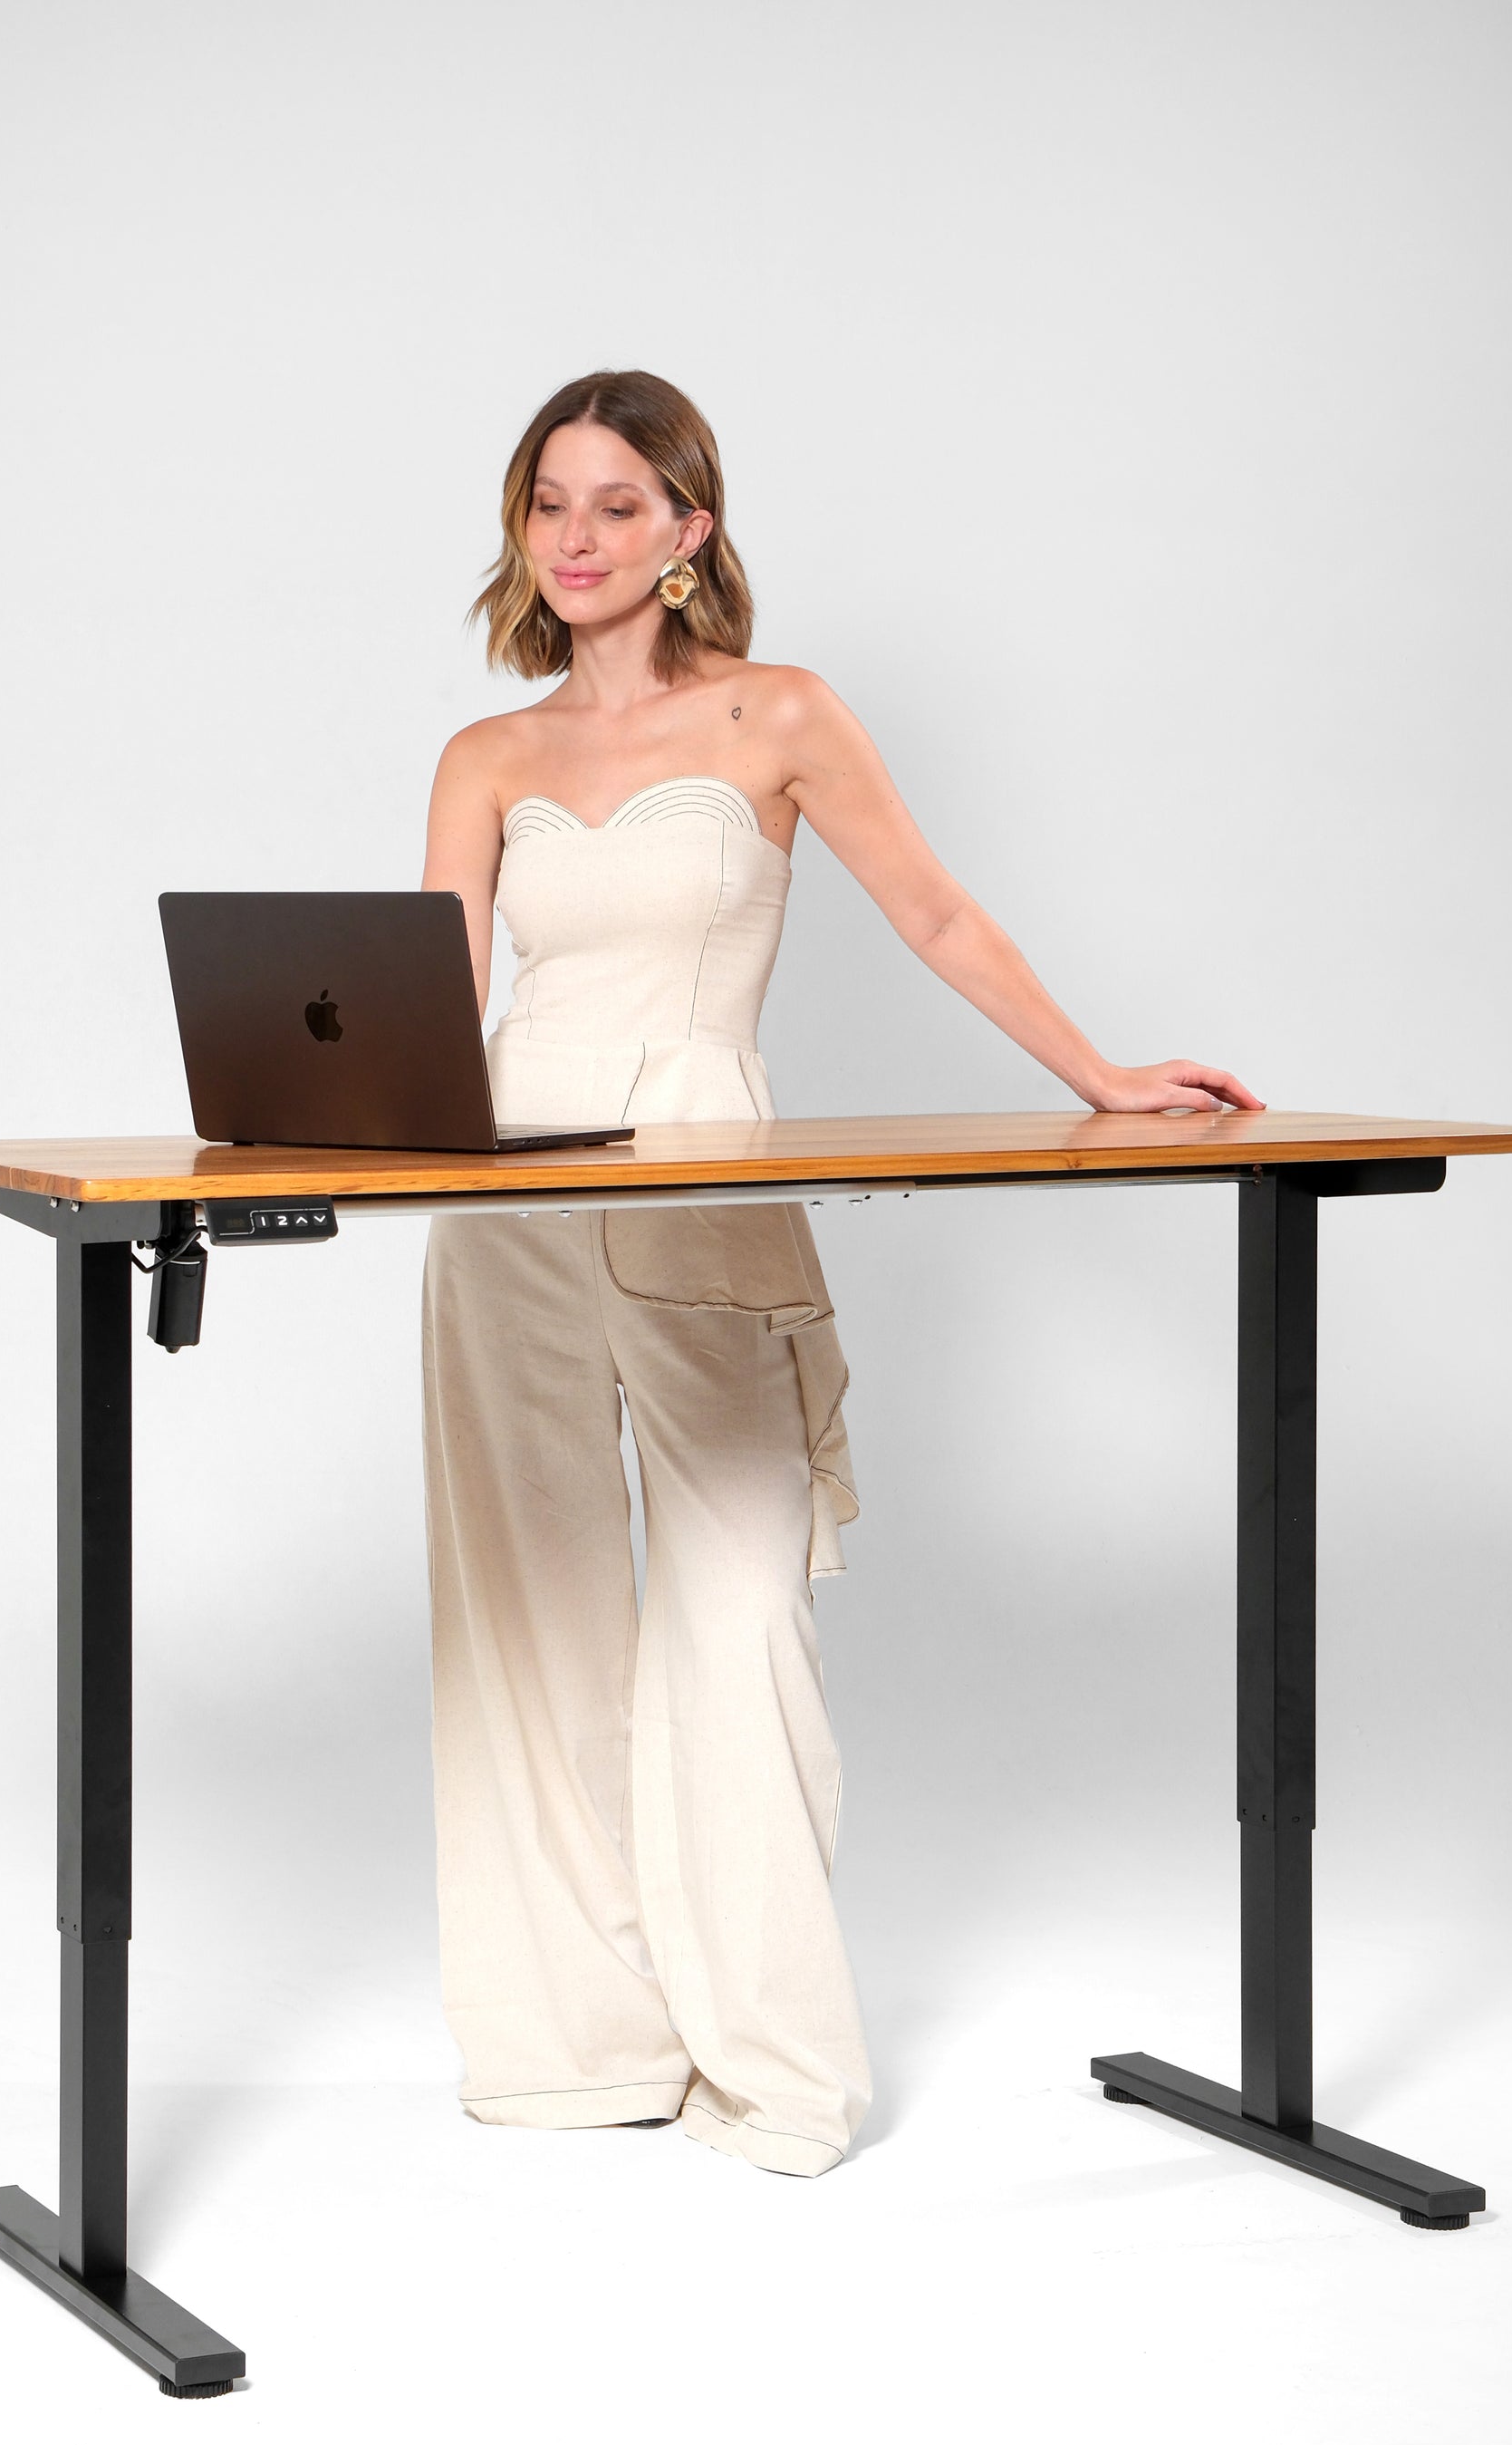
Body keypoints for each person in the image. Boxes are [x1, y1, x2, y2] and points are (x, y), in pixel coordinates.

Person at [419, 369, 1259, 2179]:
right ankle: (575, 2052)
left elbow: (935, 910)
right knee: (526, 1602)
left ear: (688, 529)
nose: (575, 536)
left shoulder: (777, 713)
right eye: (549, 502)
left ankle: (774, 2070)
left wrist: (1100, 1073)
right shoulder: (484, 757)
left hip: (704, 1157)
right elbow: (429, 1001)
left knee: (736, 1611)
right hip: (504, 1196)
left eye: (617, 504)